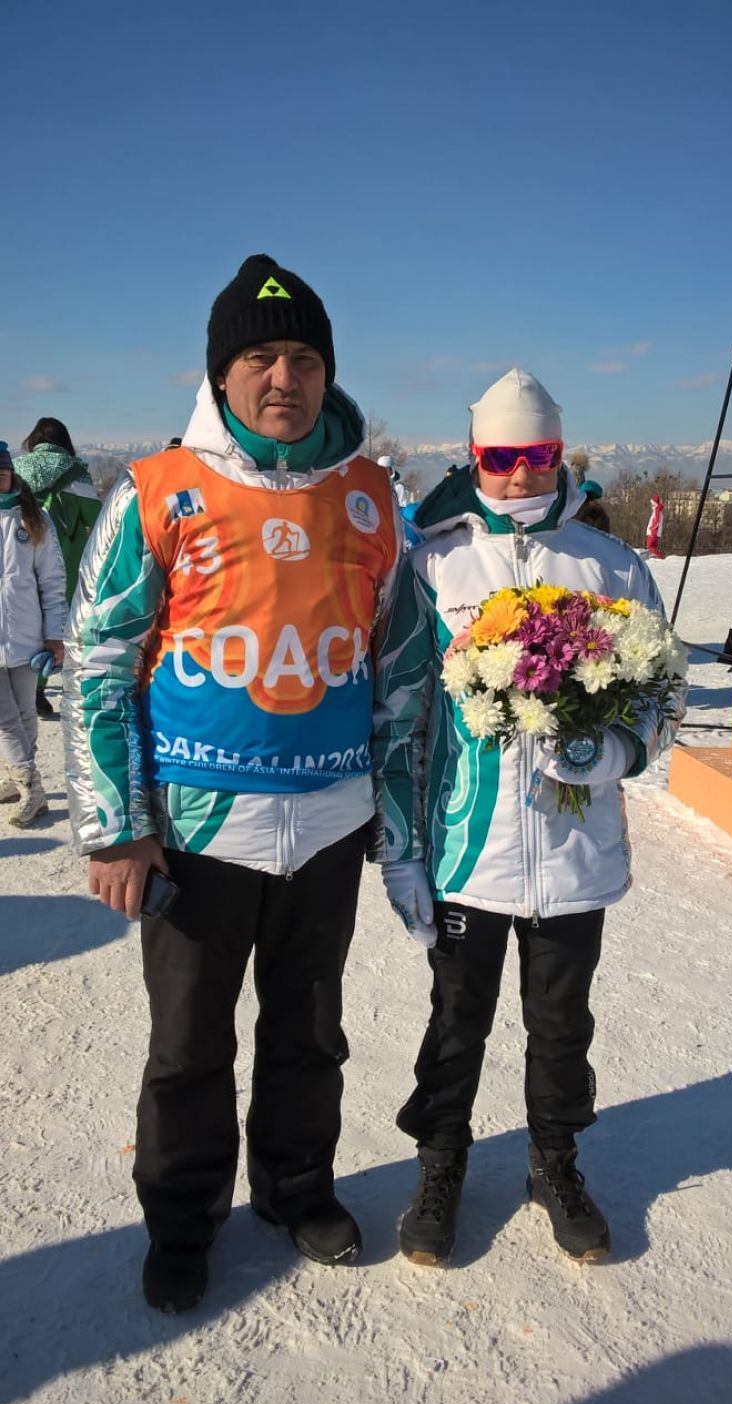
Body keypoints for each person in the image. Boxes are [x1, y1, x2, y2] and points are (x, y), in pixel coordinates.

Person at [62, 254, 403, 1313]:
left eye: (303, 357)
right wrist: (116, 828)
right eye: (259, 358)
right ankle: (182, 1218)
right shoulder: (155, 491)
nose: (283, 378)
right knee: (188, 1044)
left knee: (309, 1031)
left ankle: (295, 1188)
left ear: (326, 371)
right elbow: (99, 661)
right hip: (197, 828)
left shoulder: (371, 495)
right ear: (220, 374)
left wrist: (398, 818)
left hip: (329, 822)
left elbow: (399, 667)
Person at [371, 368, 686, 1267]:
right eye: (503, 455)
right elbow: (397, 715)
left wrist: (616, 751)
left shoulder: (611, 564)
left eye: (538, 453)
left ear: (561, 452)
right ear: (475, 455)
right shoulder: (432, 564)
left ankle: (555, 1163)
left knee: (561, 1024)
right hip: (469, 849)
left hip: (577, 848)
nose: (520, 472)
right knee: (455, 1020)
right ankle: (441, 1166)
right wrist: (401, 849)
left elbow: (663, 690)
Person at [14, 417, 100, 715]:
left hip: (20, 555)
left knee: (22, 618)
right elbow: (97, 519)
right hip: (64, 560)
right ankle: (41, 689)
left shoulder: (15, 469)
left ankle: (20, 686)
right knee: (56, 622)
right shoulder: (76, 473)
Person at [0, 442, 67, 823]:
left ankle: (18, 780)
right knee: (4, 717)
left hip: (26, 636)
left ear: (11, 474)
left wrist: (54, 636)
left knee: (25, 711)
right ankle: (30, 784)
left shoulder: (33, 518)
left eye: (2, 474)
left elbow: (52, 581)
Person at [646, 493, 665, 558]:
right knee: (653, 548)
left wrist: (652, 528)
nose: (651, 504)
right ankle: (659, 558)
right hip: (655, 533)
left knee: (650, 547)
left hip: (653, 533)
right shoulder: (658, 511)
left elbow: (657, 521)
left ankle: (661, 557)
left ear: (655, 503)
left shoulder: (657, 511)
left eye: (652, 503)